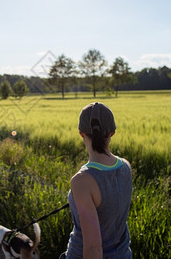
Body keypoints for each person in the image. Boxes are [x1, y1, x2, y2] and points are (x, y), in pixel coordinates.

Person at [60, 102, 133, 259]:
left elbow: (93, 248)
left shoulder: (82, 181)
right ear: (112, 133)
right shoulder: (126, 166)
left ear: (81, 134)